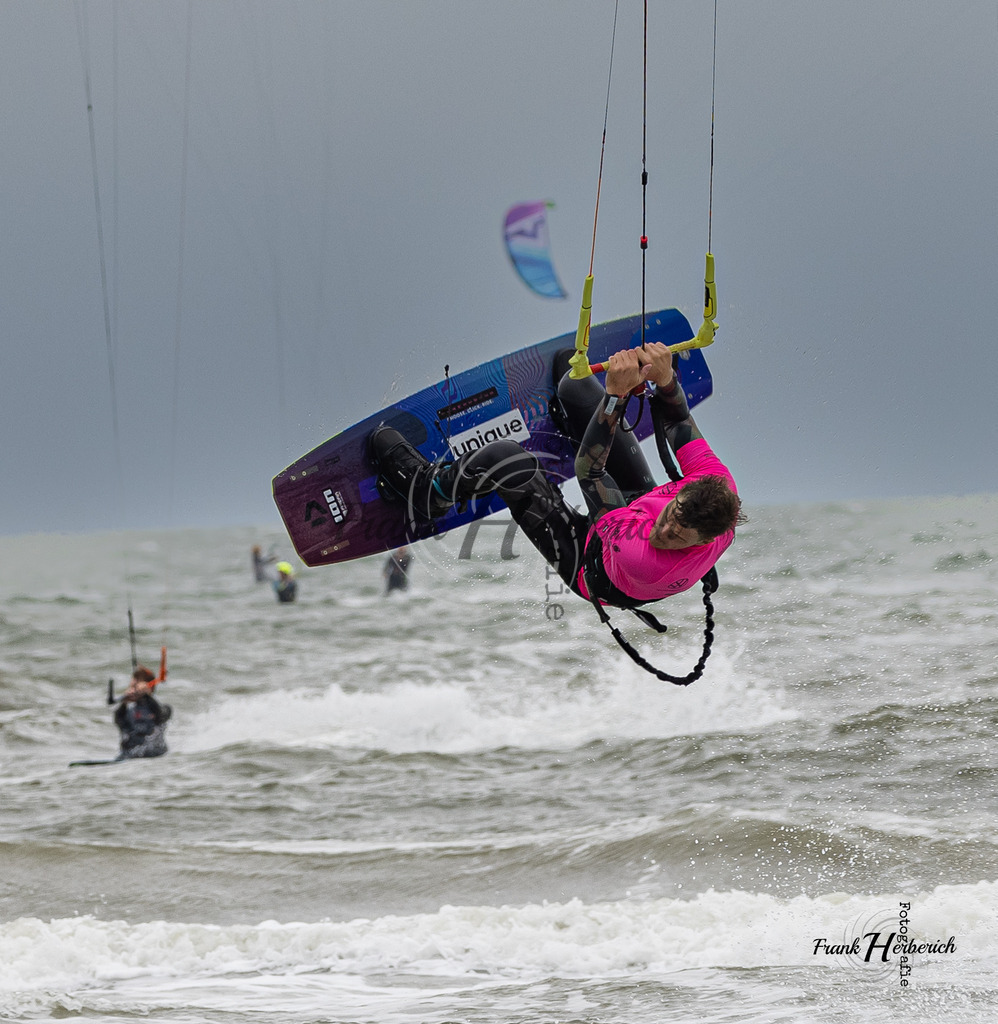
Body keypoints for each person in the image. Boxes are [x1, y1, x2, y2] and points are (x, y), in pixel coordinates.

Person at [369, 342, 742, 613]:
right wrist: (665, 379)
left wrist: (615, 396)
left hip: (589, 560)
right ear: (687, 490)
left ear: (704, 541)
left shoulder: (640, 554)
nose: (663, 530)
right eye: (670, 516)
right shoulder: (717, 484)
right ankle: (576, 419)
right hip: (634, 505)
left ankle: (430, 491)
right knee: (575, 385)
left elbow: (590, 470)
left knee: (507, 459)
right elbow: (677, 421)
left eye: (676, 537)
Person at [112, 659, 171, 760]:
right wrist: (124, 703)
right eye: (132, 687)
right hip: (129, 757)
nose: (134, 691)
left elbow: (161, 715)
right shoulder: (127, 712)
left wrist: (147, 696)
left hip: (154, 757)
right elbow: (118, 721)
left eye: (137, 687)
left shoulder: (162, 708)